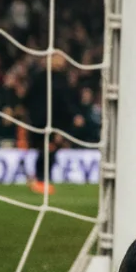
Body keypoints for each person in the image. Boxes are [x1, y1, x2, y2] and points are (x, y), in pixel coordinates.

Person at [25, 53, 78, 195]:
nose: (63, 61)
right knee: (46, 151)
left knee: (49, 151)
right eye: (59, 58)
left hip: (53, 122)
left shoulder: (55, 79)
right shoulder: (46, 79)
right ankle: (40, 180)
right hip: (46, 122)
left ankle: (40, 180)